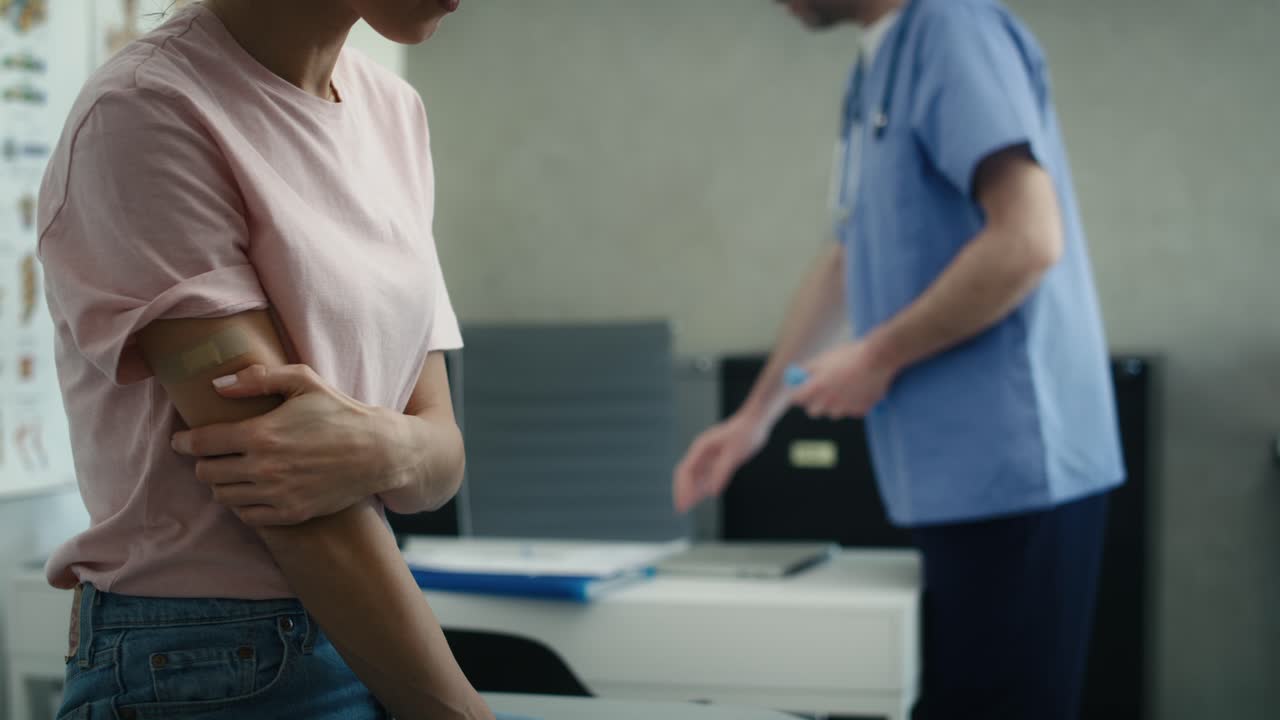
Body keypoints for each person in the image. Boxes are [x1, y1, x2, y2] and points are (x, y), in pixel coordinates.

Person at [38, 1, 498, 718]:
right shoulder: (147, 112)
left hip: (366, 623)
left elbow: (442, 454)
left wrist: (387, 447)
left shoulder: (393, 110)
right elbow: (282, 489)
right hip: (202, 659)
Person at [674, 1, 1125, 718]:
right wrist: (757, 416)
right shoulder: (874, 68)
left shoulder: (953, 30)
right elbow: (845, 256)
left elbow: (1029, 239)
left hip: (1019, 471)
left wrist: (878, 356)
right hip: (950, 477)